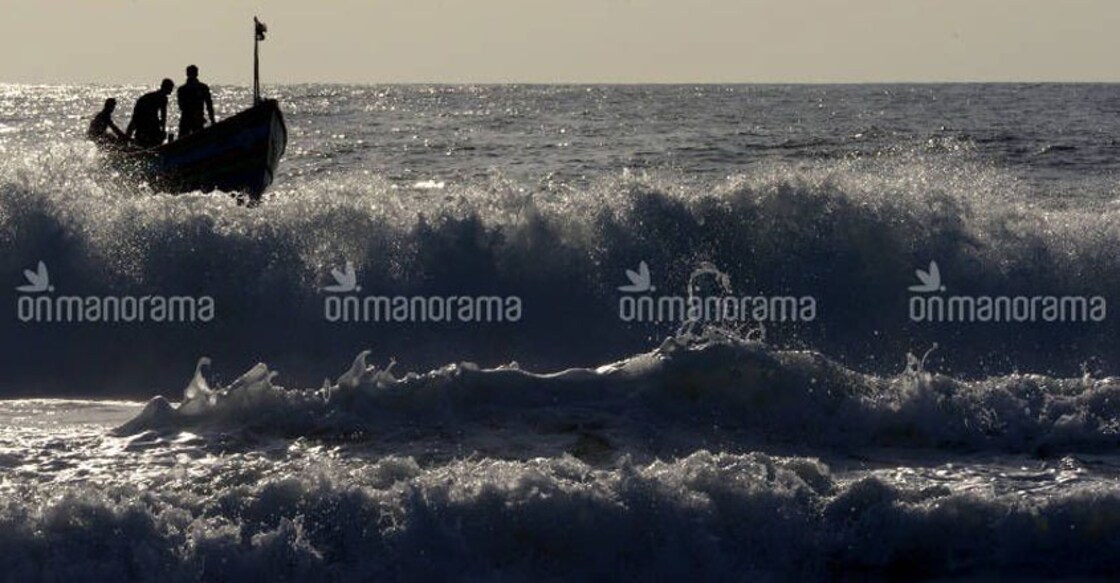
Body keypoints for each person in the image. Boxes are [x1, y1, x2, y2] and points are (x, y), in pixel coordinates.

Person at [126, 79, 175, 148]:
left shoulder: (161, 97)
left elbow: (163, 116)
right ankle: (130, 143)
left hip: (145, 113)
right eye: (171, 88)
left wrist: (162, 130)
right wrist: (162, 130)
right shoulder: (161, 98)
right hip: (142, 112)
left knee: (150, 130)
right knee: (144, 129)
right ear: (166, 88)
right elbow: (163, 116)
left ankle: (132, 142)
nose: (171, 91)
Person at [177, 65, 215, 137]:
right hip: (188, 119)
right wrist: (212, 120)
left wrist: (212, 120)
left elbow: (209, 105)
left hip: (195, 119)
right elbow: (181, 106)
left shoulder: (202, 88)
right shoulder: (182, 89)